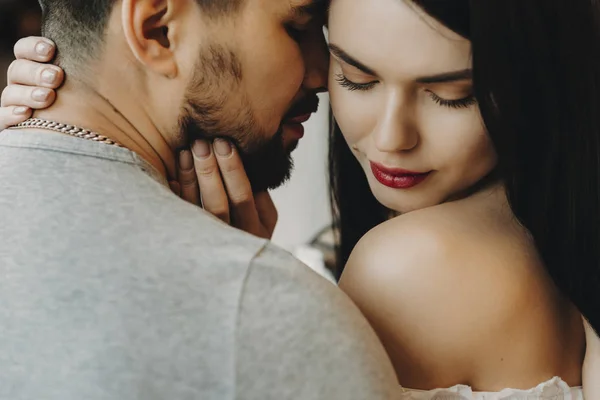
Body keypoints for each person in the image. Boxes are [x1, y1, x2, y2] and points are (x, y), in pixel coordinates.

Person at [3, 0, 600, 399]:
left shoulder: (412, 265)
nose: (391, 138)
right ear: (154, 30)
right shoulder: (539, 228)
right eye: (356, 78)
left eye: (452, 96)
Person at [0, 0, 400, 399]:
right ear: (158, 30)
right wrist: (244, 295)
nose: (322, 75)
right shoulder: (266, 308)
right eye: (297, 29)